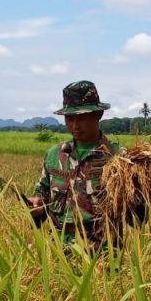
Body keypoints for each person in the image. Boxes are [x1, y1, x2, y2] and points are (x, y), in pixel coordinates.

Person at [27, 80, 130, 249]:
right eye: (69, 119)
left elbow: (139, 216)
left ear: (99, 114)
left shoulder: (119, 158)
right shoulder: (55, 155)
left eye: (82, 118)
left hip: (103, 259)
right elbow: (43, 195)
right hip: (59, 256)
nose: (75, 125)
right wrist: (36, 203)